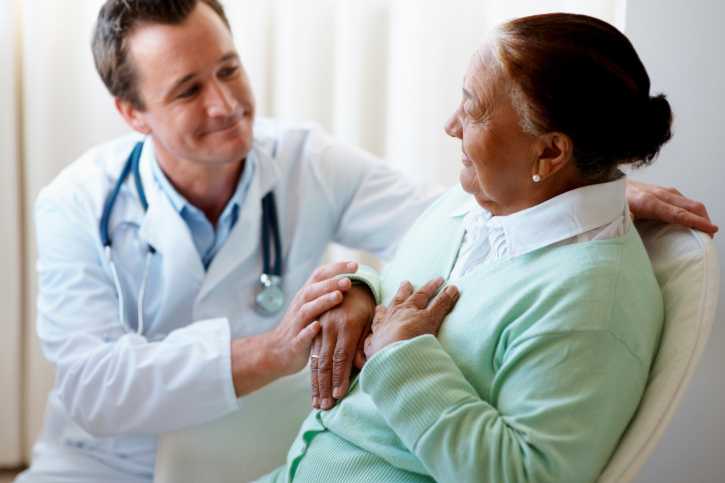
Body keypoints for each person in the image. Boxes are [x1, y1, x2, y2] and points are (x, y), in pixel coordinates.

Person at [16, 1, 716, 482]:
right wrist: (283, 342)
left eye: (228, 69)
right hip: (103, 459)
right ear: (131, 113)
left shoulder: (307, 161)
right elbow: (90, 385)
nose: (225, 104)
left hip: (259, 447)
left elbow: (445, 221)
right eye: (187, 90)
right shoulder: (76, 201)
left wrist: (587, 187)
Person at [258, 13, 684, 483]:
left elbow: (524, 475)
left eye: (473, 107)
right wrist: (359, 292)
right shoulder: (478, 204)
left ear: (549, 153)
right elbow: (407, 298)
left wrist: (402, 358)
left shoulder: (594, 304)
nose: (451, 125)